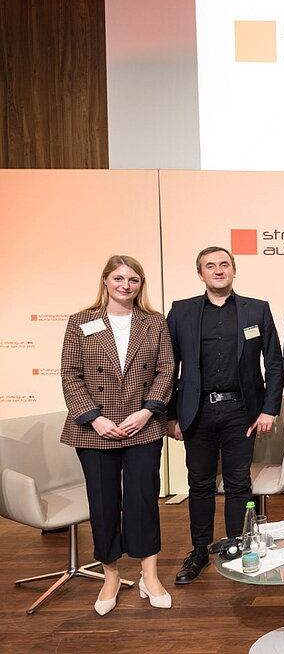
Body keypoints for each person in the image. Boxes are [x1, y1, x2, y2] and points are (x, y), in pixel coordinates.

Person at [60, 255, 175, 614]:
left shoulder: (154, 322)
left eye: (134, 280)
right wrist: (93, 418)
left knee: (143, 502)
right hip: (95, 431)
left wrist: (147, 411)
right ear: (106, 280)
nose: (126, 286)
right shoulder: (82, 321)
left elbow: (166, 369)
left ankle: (149, 575)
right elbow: (70, 374)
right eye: (119, 278)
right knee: (104, 505)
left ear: (141, 285)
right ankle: (110, 575)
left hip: (142, 426)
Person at [166, 246, 284, 585]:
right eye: (210, 266)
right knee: (199, 484)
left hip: (240, 412)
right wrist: (171, 416)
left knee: (238, 484)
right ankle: (199, 550)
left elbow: (274, 365)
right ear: (200, 274)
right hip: (197, 411)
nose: (218, 270)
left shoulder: (256, 310)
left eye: (224, 265)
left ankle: (237, 543)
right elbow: (168, 367)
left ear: (233, 271)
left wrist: (269, 409)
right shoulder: (182, 312)